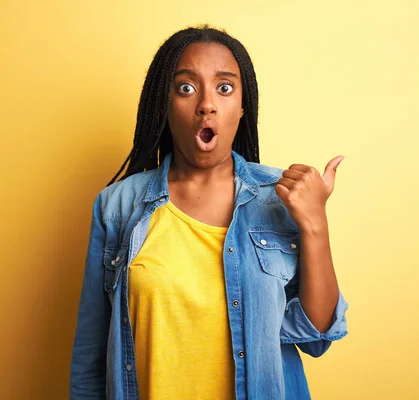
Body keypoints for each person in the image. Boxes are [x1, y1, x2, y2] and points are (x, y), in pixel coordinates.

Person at [70, 25, 349, 400]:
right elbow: (91, 361)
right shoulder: (117, 207)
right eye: (186, 87)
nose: (206, 103)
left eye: (225, 87)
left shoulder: (281, 198)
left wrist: (315, 224)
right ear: (164, 104)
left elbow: (317, 337)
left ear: (243, 105)